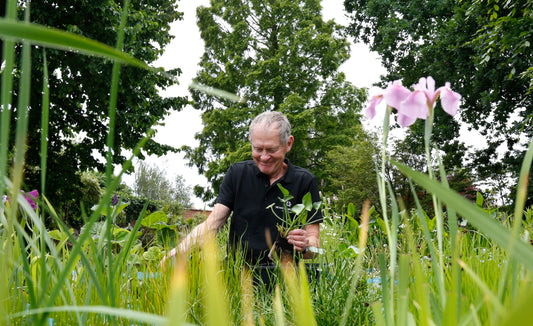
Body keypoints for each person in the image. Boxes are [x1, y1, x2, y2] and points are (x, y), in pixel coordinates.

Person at [161, 111, 322, 268]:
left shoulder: (304, 181)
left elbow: (315, 248)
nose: (264, 157)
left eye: (272, 150)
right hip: (237, 271)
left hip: (284, 276)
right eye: (258, 149)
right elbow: (211, 225)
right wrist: (179, 252)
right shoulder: (237, 174)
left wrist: (305, 246)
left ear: (288, 143)